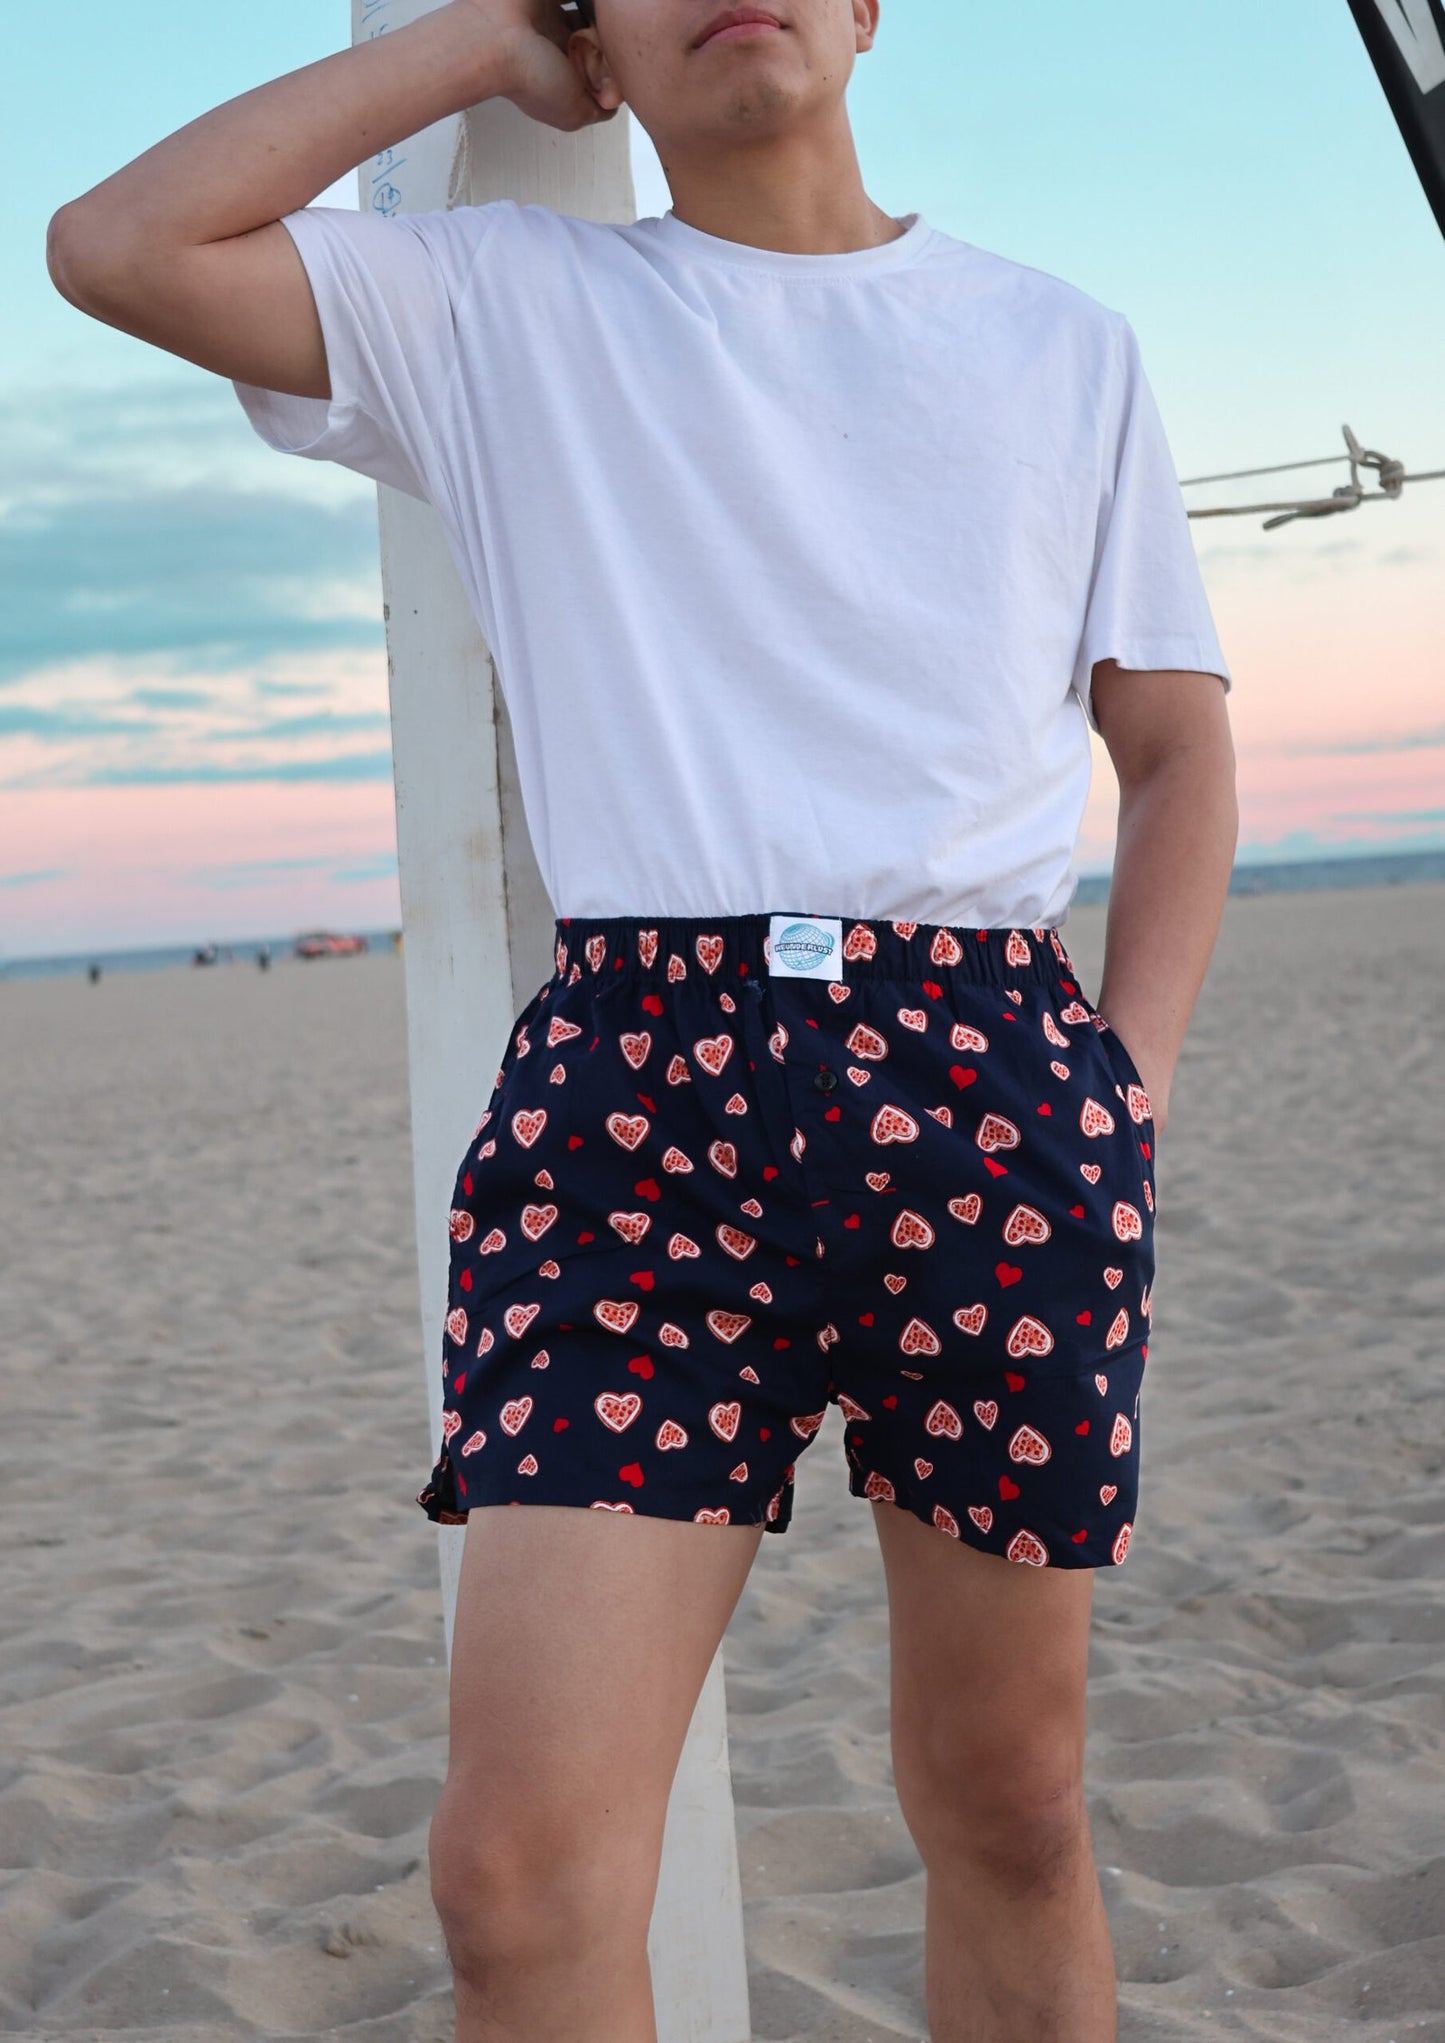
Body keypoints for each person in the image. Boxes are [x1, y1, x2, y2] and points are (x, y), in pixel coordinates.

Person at [46, 4, 1238, 2037]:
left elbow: (1178, 752)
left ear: (871, 8)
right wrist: (473, 50)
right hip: (637, 1098)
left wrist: (1121, 1085)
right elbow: (119, 244)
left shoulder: (1058, 346)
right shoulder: (504, 306)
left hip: (994, 1085)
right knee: (514, 1871)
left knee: (1009, 1798)